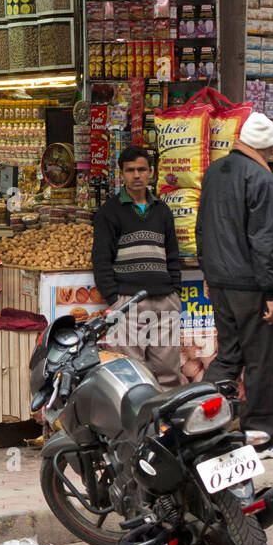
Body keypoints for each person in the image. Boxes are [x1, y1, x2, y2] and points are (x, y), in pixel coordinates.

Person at [196, 112, 273, 460]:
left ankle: (197, 425)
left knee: (227, 357)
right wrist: (271, 294)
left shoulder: (213, 173)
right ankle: (262, 439)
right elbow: (265, 242)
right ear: (267, 148)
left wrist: (210, 276)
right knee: (260, 363)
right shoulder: (263, 180)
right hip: (252, 286)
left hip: (221, 283)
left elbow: (202, 228)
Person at [91, 145, 182, 389]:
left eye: (142, 169)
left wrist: (175, 291)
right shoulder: (109, 212)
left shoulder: (162, 211)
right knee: (131, 372)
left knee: (168, 369)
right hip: (128, 302)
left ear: (151, 173)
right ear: (121, 174)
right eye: (130, 170)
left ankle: (164, 423)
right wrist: (115, 300)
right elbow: (101, 259)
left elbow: (172, 254)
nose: (137, 175)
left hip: (165, 301)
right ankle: (134, 425)